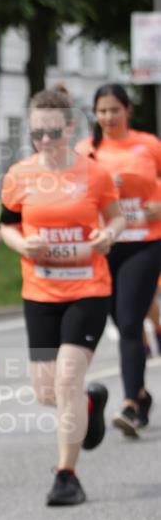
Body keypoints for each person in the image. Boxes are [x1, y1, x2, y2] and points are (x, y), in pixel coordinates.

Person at [0, 89, 125, 506]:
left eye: (53, 132)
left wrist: (108, 235)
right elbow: (7, 225)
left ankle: (66, 476)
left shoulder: (95, 174)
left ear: (70, 128)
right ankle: (89, 403)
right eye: (37, 133)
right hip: (40, 292)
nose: (45, 141)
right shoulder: (18, 175)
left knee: (67, 378)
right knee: (47, 392)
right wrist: (22, 245)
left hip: (88, 289)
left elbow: (117, 217)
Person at [75, 84, 161, 438]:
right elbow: (72, 192)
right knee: (119, 319)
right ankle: (141, 395)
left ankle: (129, 405)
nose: (108, 116)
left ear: (128, 111)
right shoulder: (86, 151)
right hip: (104, 245)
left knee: (128, 322)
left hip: (144, 241)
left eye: (114, 109)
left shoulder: (149, 144)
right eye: (102, 110)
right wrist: (104, 184)